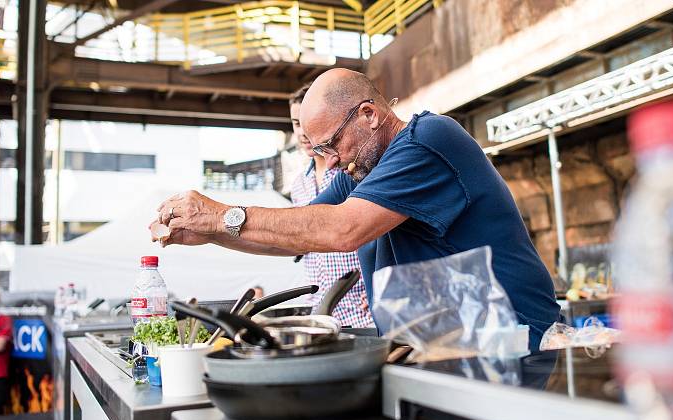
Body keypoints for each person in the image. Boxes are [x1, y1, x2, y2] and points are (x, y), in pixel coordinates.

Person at [151, 69, 560, 349]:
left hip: (513, 340)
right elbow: (298, 238)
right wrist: (212, 234)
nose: (328, 161)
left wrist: (223, 214)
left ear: (368, 115)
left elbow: (342, 230)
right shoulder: (362, 171)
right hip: (450, 346)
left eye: (330, 144)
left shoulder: (427, 140)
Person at [289, 83, 374, 328]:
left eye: (309, 123)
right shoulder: (298, 185)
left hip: (362, 307)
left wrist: (381, 279)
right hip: (322, 311)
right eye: (296, 123)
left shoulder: (353, 171)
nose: (303, 132)